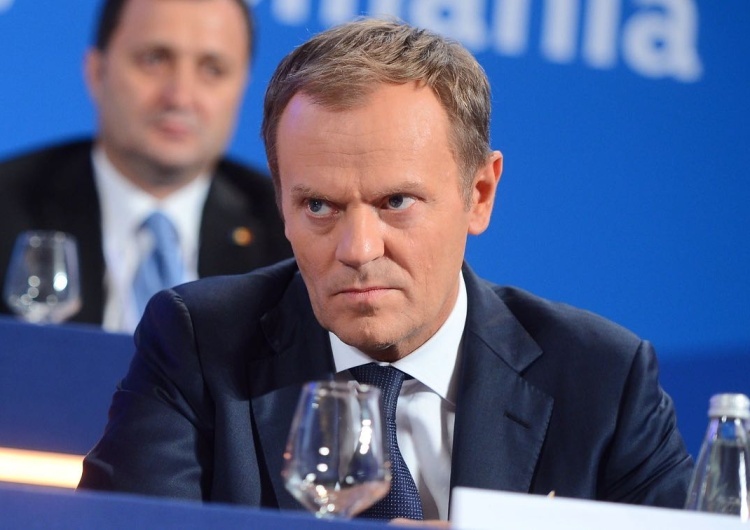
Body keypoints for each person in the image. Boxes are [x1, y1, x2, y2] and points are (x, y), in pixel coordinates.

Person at [77, 18, 693, 522]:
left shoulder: (602, 381)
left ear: (479, 195)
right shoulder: (197, 345)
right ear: (282, 205)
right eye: (319, 206)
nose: (358, 248)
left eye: (396, 202)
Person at [0, 0, 291, 333]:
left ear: (242, 88)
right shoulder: (7, 208)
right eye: (154, 60)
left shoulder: (287, 230)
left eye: (212, 69)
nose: (180, 97)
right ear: (97, 72)